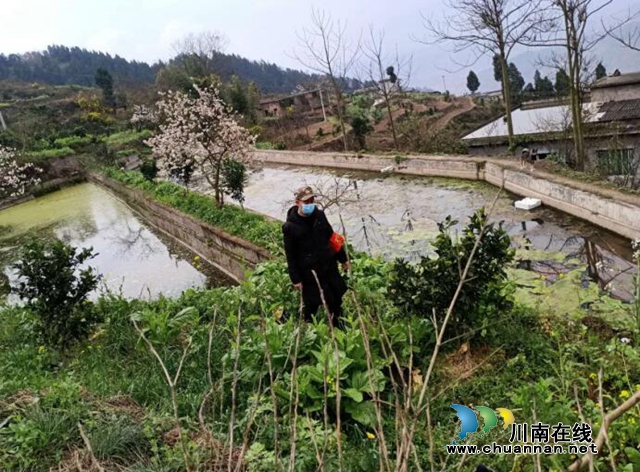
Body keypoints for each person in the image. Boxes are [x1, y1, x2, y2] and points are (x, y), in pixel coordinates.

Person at [282, 186, 350, 324]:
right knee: (312, 303)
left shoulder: (319, 216)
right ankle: (308, 326)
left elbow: (331, 237)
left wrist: (343, 259)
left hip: (328, 265)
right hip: (310, 273)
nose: (310, 205)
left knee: (336, 297)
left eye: (312, 201)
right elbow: (290, 255)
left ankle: (339, 325)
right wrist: (295, 279)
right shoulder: (290, 227)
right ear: (298, 203)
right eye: (306, 202)